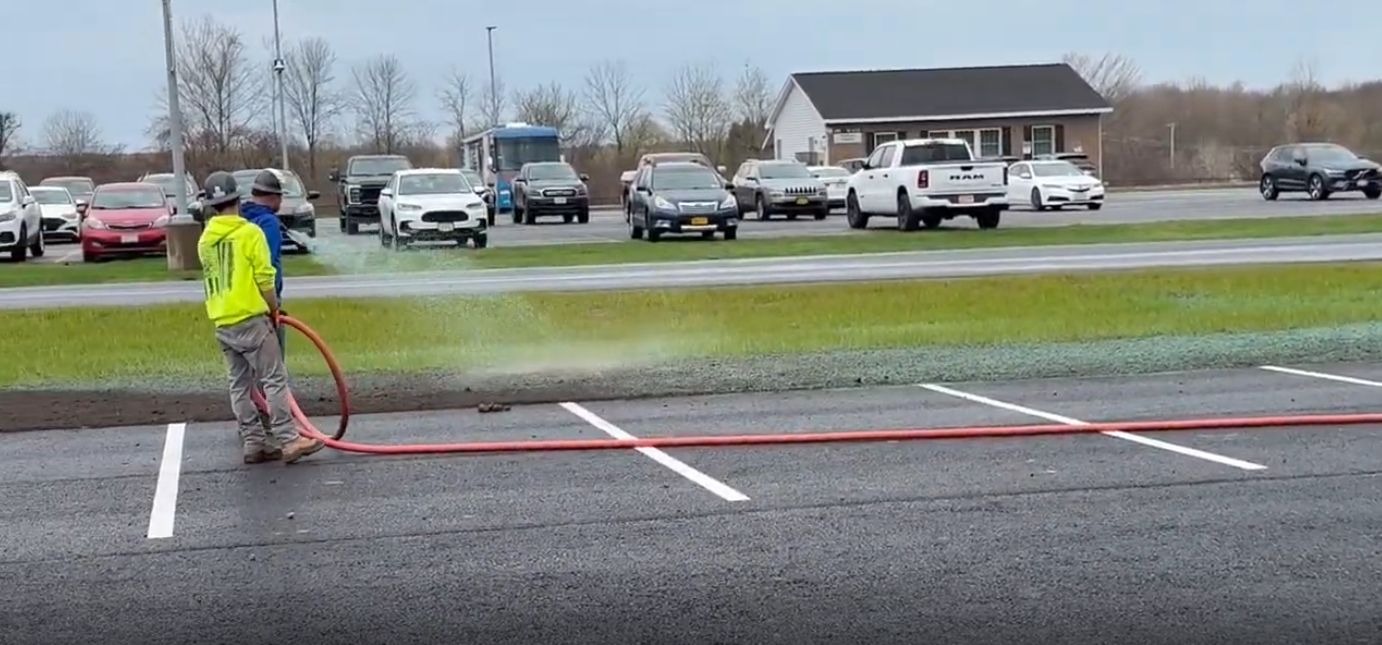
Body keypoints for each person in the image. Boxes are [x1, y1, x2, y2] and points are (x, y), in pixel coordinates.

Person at [198, 171, 324, 465]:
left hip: (222, 321)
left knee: (239, 384)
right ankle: (289, 439)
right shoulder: (250, 233)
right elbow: (265, 277)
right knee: (274, 379)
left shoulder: (205, 240)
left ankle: (254, 442)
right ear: (237, 199)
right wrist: (274, 308)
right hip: (252, 319)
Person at [239, 169, 288, 354]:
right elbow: (267, 266)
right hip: (265, 303)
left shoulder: (241, 219)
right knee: (273, 364)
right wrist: (273, 305)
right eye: (281, 197)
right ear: (273, 197)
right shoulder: (269, 223)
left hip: (242, 303)